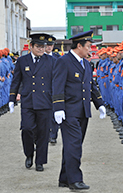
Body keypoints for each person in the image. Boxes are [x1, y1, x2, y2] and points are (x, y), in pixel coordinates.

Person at [52, 30, 106, 190]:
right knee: (74, 146)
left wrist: (100, 103)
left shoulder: (86, 63)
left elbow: (91, 85)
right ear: (79, 46)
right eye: (88, 47)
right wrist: (58, 107)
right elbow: (57, 85)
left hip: (83, 111)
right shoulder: (64, 61)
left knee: (72, 145)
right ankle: (75, 180)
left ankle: (64, 178)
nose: (90, 50)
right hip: (68, 112)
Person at [9, 33, 55, 172]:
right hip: (28, 101)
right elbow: (16, 80)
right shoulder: (22, 61)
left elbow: (56, 81)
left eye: (43, 46)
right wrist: (12, 98)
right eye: (38, 46)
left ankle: (40, 161)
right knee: (27, 129)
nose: (41, 49)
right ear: (31, 46)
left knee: (43, 132)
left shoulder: (51, 61)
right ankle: (29, 154)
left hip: (45, 101)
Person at [45, 35, 61, 144]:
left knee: (54, 114)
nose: (49, 47)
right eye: (48, 45)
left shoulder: (57, 58)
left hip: (54, 90)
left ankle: (53, 136)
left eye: (51, 45)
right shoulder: (38, 58)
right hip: (42, 91)